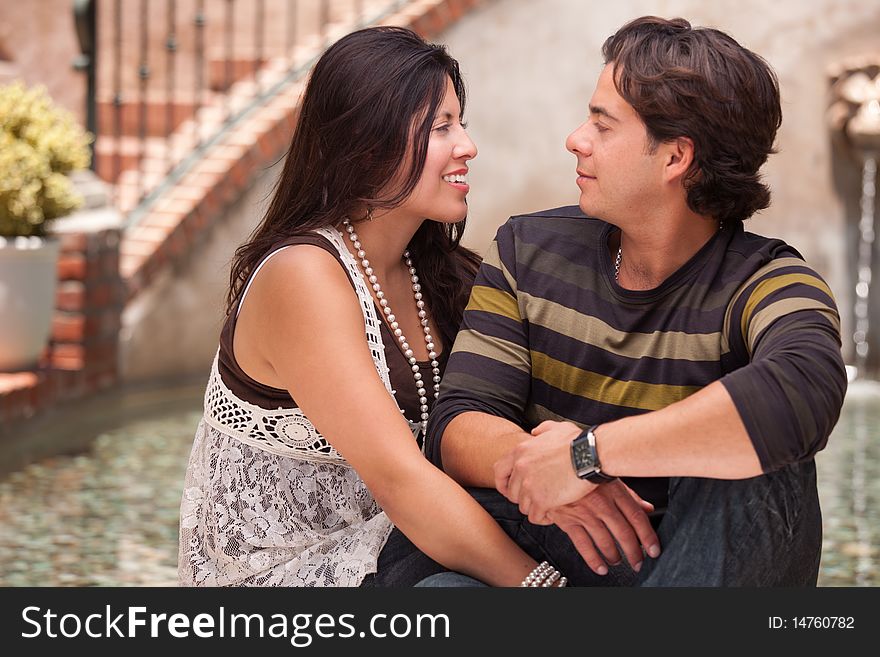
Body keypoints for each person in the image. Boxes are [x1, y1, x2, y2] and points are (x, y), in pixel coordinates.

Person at [424, 16, 847, 586]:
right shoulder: (528, 249)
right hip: (553, 552)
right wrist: (549, 476)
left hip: (698, 565)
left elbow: (803, 391)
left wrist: (587, 456)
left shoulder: (767, 282)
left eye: (603, 125)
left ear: (676, 159)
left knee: (759, 458)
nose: (576, 139)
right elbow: (458, 424)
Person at [178, 26, 559, 587]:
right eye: (441, 128)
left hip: (397, 550)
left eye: (462, 123)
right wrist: (544, 588)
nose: (467, 146)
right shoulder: (302, 276)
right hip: (295, 577)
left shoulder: (440, 274)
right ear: (368, 144)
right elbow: (402, 480)